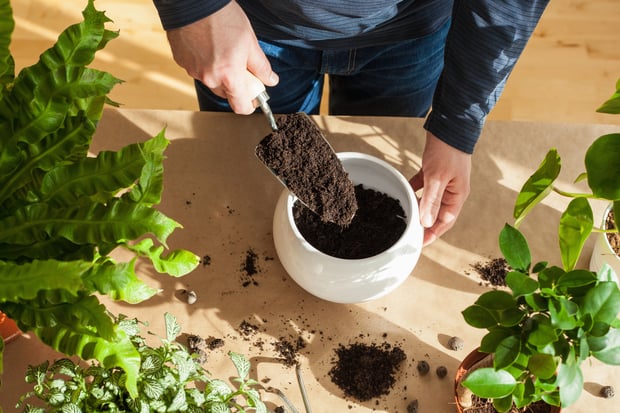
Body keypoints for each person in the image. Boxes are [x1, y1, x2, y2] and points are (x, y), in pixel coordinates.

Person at [152, 0, 549, 246]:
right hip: (245, 25)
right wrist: (194, 8)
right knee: (245, 189)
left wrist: (457, 124)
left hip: (411, 33)